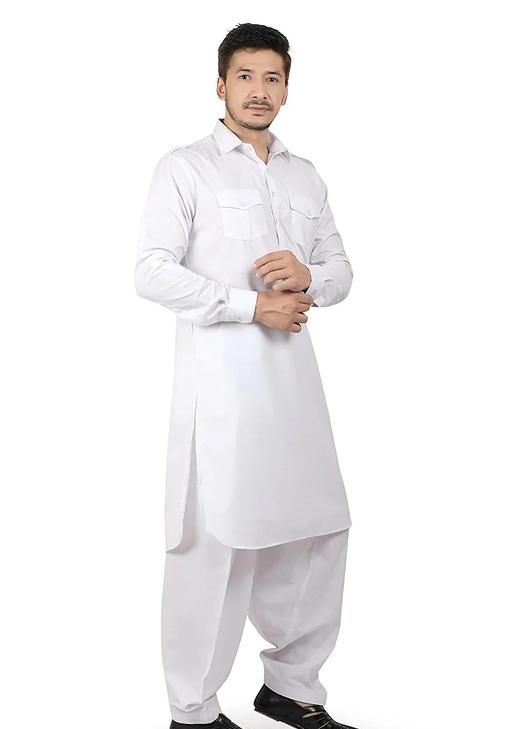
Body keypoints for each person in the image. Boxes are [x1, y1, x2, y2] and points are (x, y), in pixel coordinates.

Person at [135, 22, 359, 729]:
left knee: (318, 531)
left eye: (272, 78)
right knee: (216, 543)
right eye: (245, 76)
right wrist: (250, 304)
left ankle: (291, 686)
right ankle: (193, 709)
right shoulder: (186, 167)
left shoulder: (304, 174)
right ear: (220, 84)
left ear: (287, 88)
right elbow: (151, 271)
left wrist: (308, 275)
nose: (259, 91)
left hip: (296, 391)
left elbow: (342, 269)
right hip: (223, 395)